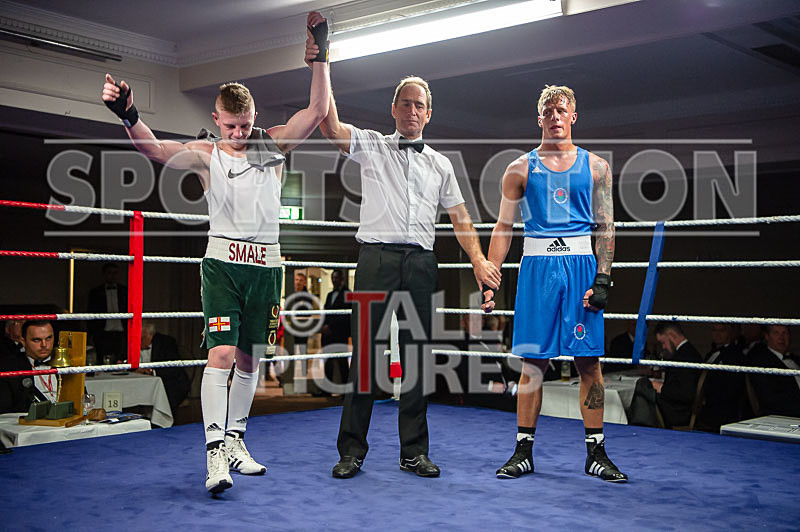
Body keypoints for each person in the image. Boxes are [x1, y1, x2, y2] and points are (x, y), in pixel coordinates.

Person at [101, 11, 330, 494]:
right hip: (223, 266)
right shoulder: (208, 155)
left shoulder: (272, 148)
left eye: (245, 125)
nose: (238, 134)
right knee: (222, 354)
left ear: (254, 118)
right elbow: (157, 151)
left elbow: (315, 111)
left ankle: (237, 441)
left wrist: (320, 57)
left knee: (250, 359)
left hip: (267, 266)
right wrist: (129, 116)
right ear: (216, 120)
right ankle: (213, 455)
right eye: (230, 126)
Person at [315, 58, 501, 476]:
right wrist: (321, 64)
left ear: (428, 113)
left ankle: (413, 451)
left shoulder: (441, 164)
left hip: (421, 262)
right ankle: (351, 452)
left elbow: (460, 218)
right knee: (365, 355)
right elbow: (330, 127)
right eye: (406, 103)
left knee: (417, 357)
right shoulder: (373, 144)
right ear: (394, 109)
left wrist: (479, 262)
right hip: (376, 258)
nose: (413, 111)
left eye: (420, 105)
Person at [482, 85, 626, 482]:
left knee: (589, 362)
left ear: (573, 116)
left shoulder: (597, 166)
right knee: (532, 364)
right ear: (539, 118)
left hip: (581, 265)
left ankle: (596, 452)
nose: (555, 116)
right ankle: (523, 451)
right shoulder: (519, 168)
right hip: (537, 267)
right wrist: (491, 276)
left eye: (562, 110)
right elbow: (503, 227)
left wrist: (603, 277)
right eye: (548, 110)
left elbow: (606, 225)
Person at [629, 322, 702, 428]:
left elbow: (686, 393)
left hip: (678, 411)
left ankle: (640, 425)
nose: (664, 347)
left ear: (671, 335)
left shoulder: (685, 356)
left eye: (663, 342)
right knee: (645, 385)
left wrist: (662, 388)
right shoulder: (687, 352)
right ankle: (639, 423)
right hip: (678, 407)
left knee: (643, 384)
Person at [695, 323, 745, 431]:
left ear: (730, 333)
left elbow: (733, 388)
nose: (717, 334)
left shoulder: (735, 356)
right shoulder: (711, 353)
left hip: (722, 413)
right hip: (705, 408)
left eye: (722, 331)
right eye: (714, 330)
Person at [0, 320, 56, 413]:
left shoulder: (65, 365)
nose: (44, 345)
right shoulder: (9, 368)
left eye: (48, 338)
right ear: (23, 341)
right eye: (37, 340)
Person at [137, 321, 191, 416]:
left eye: (142, 338)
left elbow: (174, 369)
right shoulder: (132, 343)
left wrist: (150, 372)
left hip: (168, 382)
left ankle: (163, 422)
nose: (139, 342)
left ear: (150, 335)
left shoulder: (166, 343)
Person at [747, 325, 800, 417]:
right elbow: (769, 400)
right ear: (767, 336)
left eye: (785, 333)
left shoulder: (796, 359)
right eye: (776, 333)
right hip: (785, 418)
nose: (781, 338)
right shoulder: (761, 363)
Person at [87, 262, 127, 363]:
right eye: (109, 273)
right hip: (102, 333)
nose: (112, 276)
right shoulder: (96, 292)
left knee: (121, 361)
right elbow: (91, 313)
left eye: (115, 273)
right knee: (102, 361)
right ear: (104, 274)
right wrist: (93, 333)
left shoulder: (125, 291)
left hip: (121, 333)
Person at [321, 269, 351, 392]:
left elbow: (345, 316)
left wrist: (330, 327)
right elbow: (326, 313)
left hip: (339, 334)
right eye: (333, 278)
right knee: (327, 362)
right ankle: (326, 390)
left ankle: (346, 392)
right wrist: (323, 327)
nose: (334, 280)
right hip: (328, 335)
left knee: (342, 363)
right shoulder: (329, 295)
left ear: (342, 279)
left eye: (336, 278)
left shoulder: (348, 294)